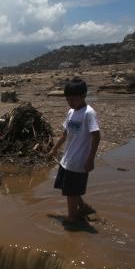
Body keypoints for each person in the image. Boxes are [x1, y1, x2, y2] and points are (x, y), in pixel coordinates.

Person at [48, 79, 100, 225]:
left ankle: (72, 219)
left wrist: (90, 160)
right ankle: (83, 207)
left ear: (83, 96)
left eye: (74, 99)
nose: (71, 102)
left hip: (79, 161)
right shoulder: (71, 112)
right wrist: (54, 149)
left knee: (70, 192)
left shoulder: (88, 113)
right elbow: (65, 134)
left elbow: (96, 137)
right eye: (68, 99)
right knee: (69, 188)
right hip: (67, 159)